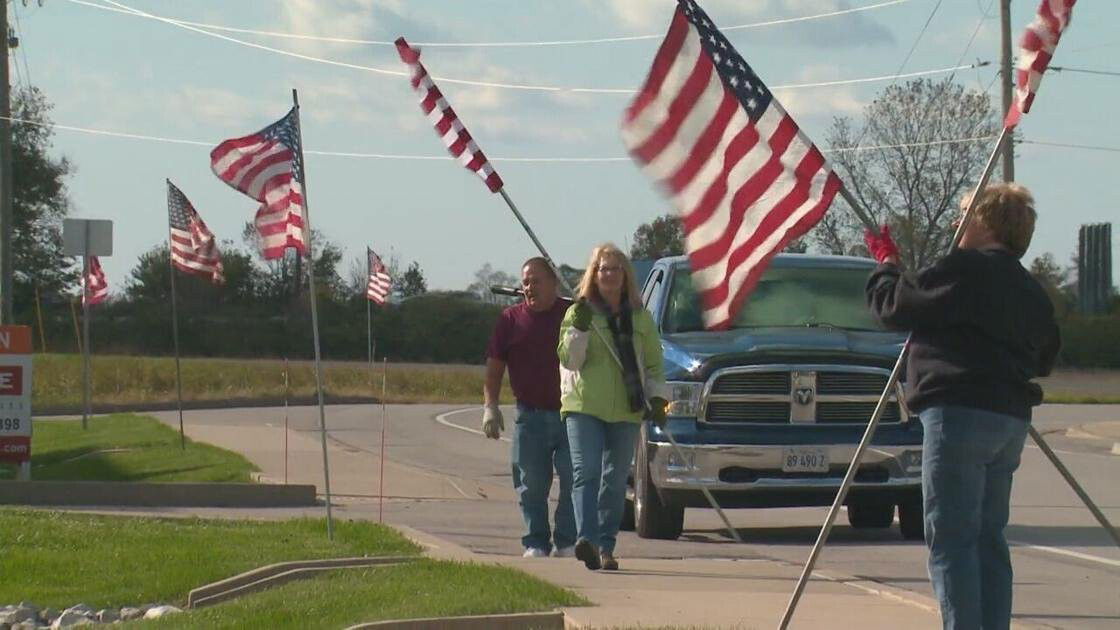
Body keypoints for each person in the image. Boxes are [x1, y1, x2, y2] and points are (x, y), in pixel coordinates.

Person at [864, 183, 1060, 630]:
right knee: (989, 539)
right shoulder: (1030, 290)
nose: (956, 223)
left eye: (963, 214)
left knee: (952, 539)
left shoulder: (964, 270)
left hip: (958, 415)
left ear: (985, 223)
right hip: (1008, 419)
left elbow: (893, 306)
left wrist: (886, 266)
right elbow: (1046, 355)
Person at [558, 243, 668, 571]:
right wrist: (578, 328)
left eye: (615, 268)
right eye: (603, 269)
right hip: (583, 404)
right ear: (594, 275)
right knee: (585, 471)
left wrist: (659, 398)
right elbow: (569, 359)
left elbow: (653, 364)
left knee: (616, 478)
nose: (609, 274)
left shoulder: (640, 317)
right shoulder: (580, 312)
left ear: (625, 275)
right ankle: (586, 539)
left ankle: (606, 546)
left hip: (627, 406)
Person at [483, 257, 576, 559]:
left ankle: (567, 540)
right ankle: (536, 542)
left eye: (536, 281)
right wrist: (490, 407)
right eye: (525, 282)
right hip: (529, 416)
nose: (529, 287)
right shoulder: (510, 320)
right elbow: (494, 370)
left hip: (570, 414)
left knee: (574, 479)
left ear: (554, 283)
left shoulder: (572, 314)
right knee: (531, 485)